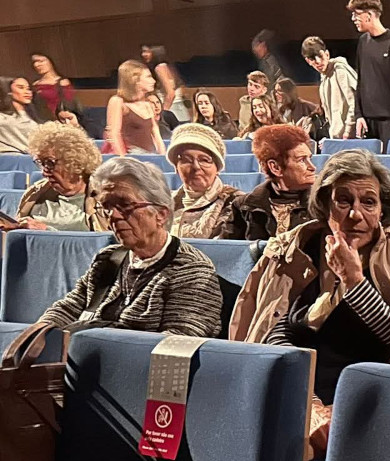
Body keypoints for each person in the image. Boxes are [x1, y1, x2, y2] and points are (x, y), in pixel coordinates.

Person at [230, 149, 390, 451]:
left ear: (382, 210)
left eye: (368, 202)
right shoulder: (296, 247)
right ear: (325, 205)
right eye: (344, 201)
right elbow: (274, 331)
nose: (356, 214)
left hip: (376, 396)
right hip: (298, 390)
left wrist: (354, 281)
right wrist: (308, 401)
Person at [38, 157, 222, 337]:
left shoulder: (191, 270)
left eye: (125, 205)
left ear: (161, 214)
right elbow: (69, 307)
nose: (114, 216)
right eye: (107, 207)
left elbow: (177, 347)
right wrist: (41, 332)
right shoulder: (108, 259)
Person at [225, 124, 316, 240]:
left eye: (310, 158)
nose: (312, 167)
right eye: (302, 160)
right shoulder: (244, 207)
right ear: (275, 168)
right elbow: (229, 252)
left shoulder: (323, 203)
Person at [10, 122, 105, 232]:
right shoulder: (35, 193)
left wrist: (47, 231)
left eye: (50, 163)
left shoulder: (103, 198)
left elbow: (106, 243)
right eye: (41, 163)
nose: (44, 173)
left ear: (74, 162)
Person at [348, 0, 390, 143]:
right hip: (367, 124)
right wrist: (359, 116)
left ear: (369, 15)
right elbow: (360, 82)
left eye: (356, 14)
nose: (353, 19)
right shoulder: (363, 42)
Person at [167, 123, 242, 239]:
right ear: (176, 167)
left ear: (217, 168)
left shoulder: (237, 203)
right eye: (187, 160)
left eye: (204, 160)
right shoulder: (163, 203)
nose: (196, 166)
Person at [302, 36, 360, 140]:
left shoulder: (340, 71)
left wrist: (348, 130)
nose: (318, 62)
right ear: (308, 61)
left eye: (320, 56)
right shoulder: (324, 78)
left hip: (349, 136)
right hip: (337, 136)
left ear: (327, 54)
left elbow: (354, 103)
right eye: (313, 59)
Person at [105, 61, 164, 155]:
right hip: (132, 154)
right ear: (135, 80)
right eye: (148, 77)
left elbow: (156, 134)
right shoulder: (118, 101)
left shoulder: (147, 104)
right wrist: (123, 159)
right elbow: (114, 134)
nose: (153, 81)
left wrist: (163, 157)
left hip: (151, 154)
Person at [140, 45, 188, 122]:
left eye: (147, 51)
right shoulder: (165, 66)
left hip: (173, 111)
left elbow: (171, 93)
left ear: (155, 52)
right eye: (143, 51)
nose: (143, 54)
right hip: (178, 110)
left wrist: (163, 113)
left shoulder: (160, 68)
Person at [28, 53, 79, 126]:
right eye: (34, 62)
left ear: (50, 62)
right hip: (39, 121)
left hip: (59, 121)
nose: (36, 65)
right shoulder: (34, 85)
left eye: (41, 61)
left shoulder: (62, 83)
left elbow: (69, 104)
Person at [0, 78, 39, 154]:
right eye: (21, 87)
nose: (27, 92)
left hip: (32, 159)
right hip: (8, 159)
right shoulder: (3, 117)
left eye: (29, 89)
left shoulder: (36, 117)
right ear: (9, 92)